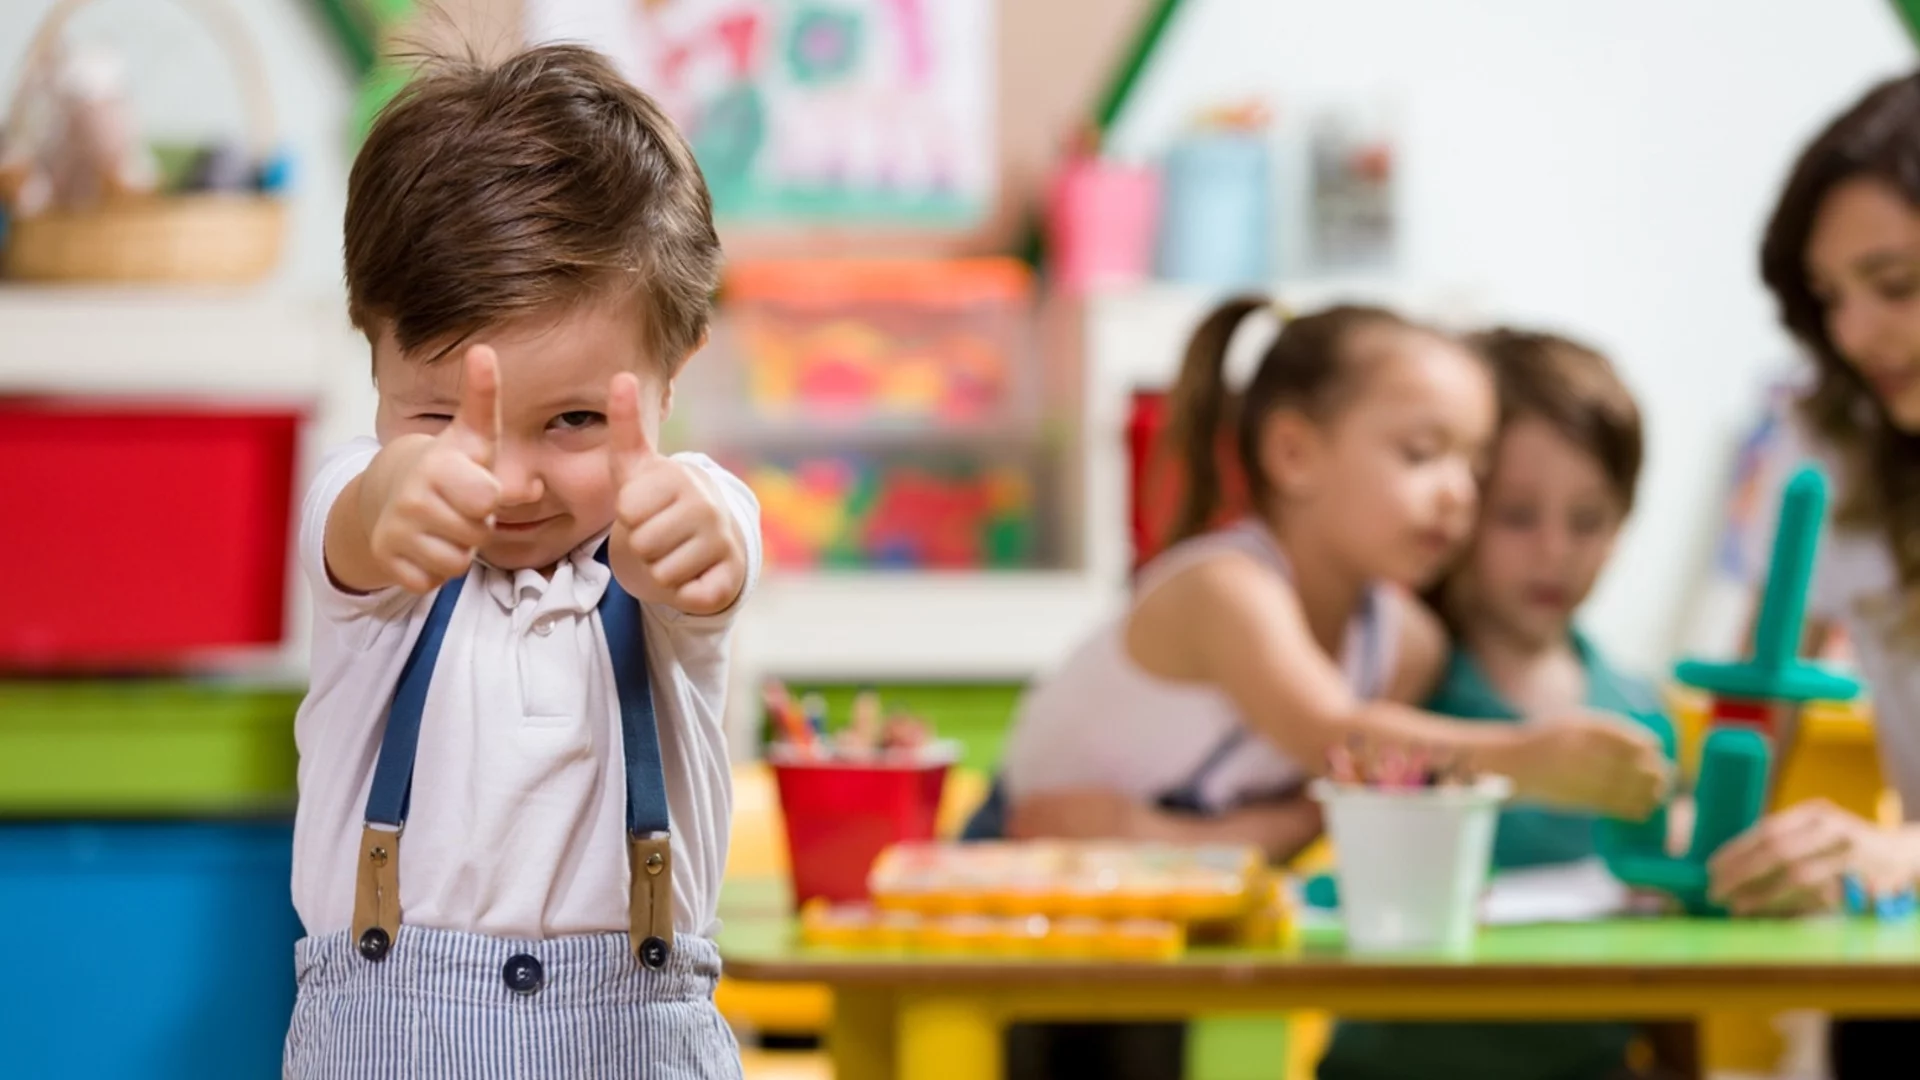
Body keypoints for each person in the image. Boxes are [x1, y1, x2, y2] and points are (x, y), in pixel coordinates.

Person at [978, 299, 1670, 1080]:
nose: (1457, 496)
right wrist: (1528, 759)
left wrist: (1175, 847)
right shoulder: (1226, 589)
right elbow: (1335, 740)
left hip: (1167, 893)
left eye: (1472, 469)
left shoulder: (1406, 642)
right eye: (1420, 455)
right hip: (1018, 873)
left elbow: (1328, 801)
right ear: (1293, 453)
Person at [283, 45, 757, 1078]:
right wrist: (398, 490)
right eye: (444, 416)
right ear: (372, 352)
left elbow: (708, 543)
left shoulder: (676, 526)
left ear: (677, 366)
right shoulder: (368, 534)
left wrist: (683, 543)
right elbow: (361, 521)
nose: (508, 481)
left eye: (577, 420)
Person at [1318, 328, 1694, 1080]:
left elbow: (1671, 955)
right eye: (1518, 516)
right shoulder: (1400, 677)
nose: (1554, 551)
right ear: (1456, 509)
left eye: (1587, 521)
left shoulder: (1639, 712)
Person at [1706, 70, 1920, 1078]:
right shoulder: (1832, 445)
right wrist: (1703, 838)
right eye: (1831, 297)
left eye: (1897, 285)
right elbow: (1762, 686)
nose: (1856, 334)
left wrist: (1904, 856)